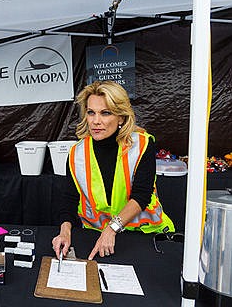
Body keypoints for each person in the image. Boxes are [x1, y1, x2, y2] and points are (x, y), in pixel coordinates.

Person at [52, 80, 175, 261]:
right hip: (98, 236)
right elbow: (69, 199)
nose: (96, 121)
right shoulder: (76, 153)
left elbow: (141, 195)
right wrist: (65, 232)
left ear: (121, 117)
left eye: (105, 113)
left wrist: (112, 229)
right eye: (91, 112)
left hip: (143, 235)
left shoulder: (141, 144)